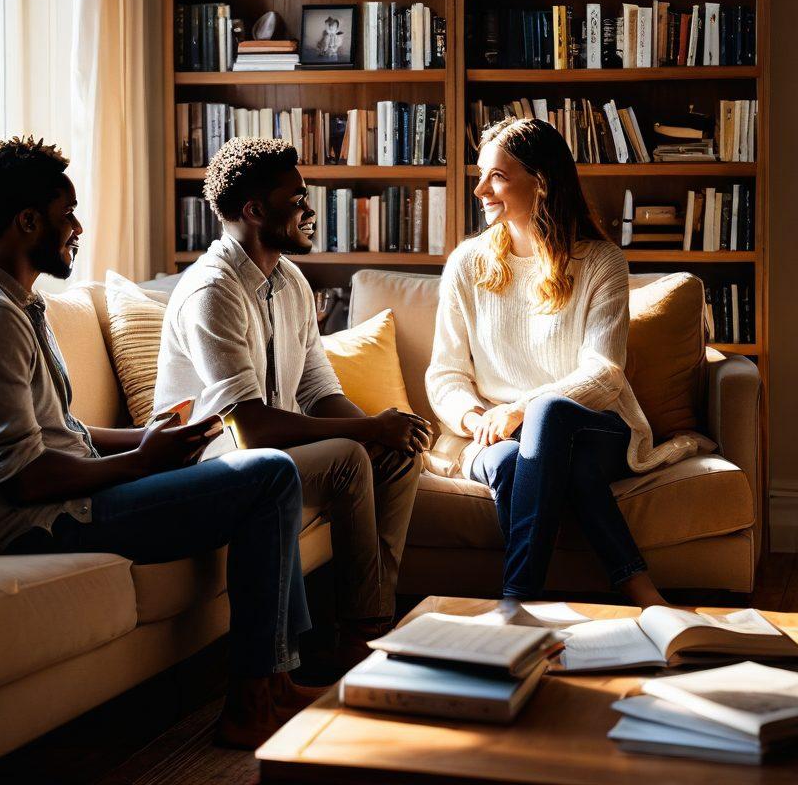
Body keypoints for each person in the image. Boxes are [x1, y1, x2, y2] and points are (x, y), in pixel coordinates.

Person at [0, 136, 319, 749]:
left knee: (260, 470)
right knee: (268, 473)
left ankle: (276, 684)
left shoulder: (12, 300)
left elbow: (60, 433)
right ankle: (254, 698)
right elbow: (24, 477)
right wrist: (137, 464)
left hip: (61, 500)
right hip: (40, 522)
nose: (77, 227)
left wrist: (146, 440)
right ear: (27, 222)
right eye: (66, 213)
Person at [154, 137, 429, 668]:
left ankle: (369, 626)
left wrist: (387, 430)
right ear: (255, 211)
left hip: (272, 455)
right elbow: (249, 429)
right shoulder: (212, 292)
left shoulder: (292, 281)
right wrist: (369, 429)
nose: (309, 211)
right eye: (298, 199)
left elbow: (319, 394)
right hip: (212, 467)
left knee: (399, 451)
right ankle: (358, 640)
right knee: (351, 457)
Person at [426, 118, 704, 606]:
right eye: (480, 174)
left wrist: (522, 409)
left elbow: (604, 372)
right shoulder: (467, 265)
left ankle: (517, 602)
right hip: (495, 435)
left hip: (592, 426)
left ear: (542, 181)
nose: (479, 189)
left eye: (496, 176)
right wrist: (477, 419)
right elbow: (446, 372)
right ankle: (639, 589)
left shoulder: (601, 262)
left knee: (550, 416)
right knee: (523, 461)